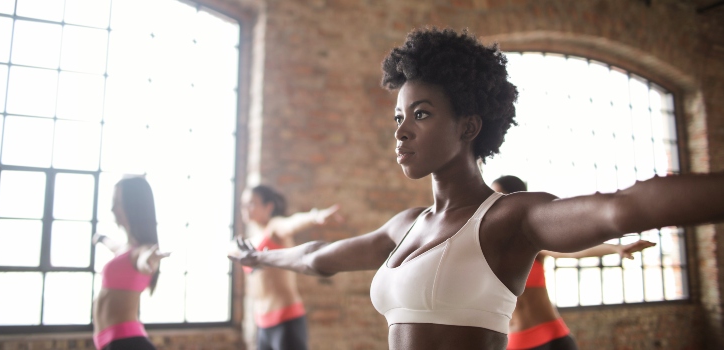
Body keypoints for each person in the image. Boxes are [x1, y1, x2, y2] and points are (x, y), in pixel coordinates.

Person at [229, 27, 724, 350]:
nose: (401, 131)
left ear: (468, 127)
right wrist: (261, 257)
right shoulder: (406, 225)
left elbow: (622, 209)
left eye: (421, 115)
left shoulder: (509, 218)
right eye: (399, 117)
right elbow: (321, 256)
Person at [492, 175, 655, 350]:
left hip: (557, 336)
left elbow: (572, 251)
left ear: (515, 199)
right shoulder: (489, 246)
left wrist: (615, 248)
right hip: (521, 343)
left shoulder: (529, 240)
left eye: (499, 195)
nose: (494, 202)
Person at [239, 185, 340, 350]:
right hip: (262, 324)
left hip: (285, 320)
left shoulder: (274, 228)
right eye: (243, 204)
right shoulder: (250, 241)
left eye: (251, 203)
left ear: (268, 207)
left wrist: (315, 216)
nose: (245, 208)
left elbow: (291, 223)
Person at [91, 177, 170, 350]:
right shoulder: (126, 249)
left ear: (134, 205)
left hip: (128, 343)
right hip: (111, 342)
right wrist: (101, 238)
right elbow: (113, 245)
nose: (113, 208)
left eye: (118, 202)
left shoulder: (142, 251)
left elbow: (144, 261)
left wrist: (149, 260)